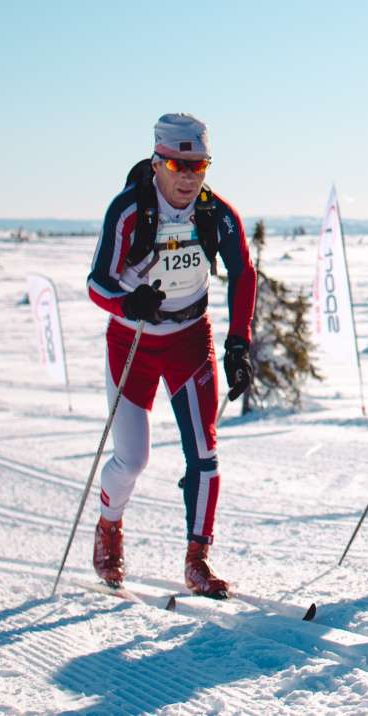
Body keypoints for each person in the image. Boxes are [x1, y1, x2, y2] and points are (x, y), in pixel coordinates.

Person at [85, 113, 256, 597]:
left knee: (205, 452)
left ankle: (197, 559)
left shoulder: (216, 213)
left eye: (199, 165)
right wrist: (127, 303)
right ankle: (109, 526)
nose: (188, 177)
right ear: (158, 162)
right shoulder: (128, 210)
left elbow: (244, 273)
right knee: (132, 459)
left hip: (189, 339)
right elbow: (97, 282)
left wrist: (238, 342)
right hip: (133, 341)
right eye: (179, 165)